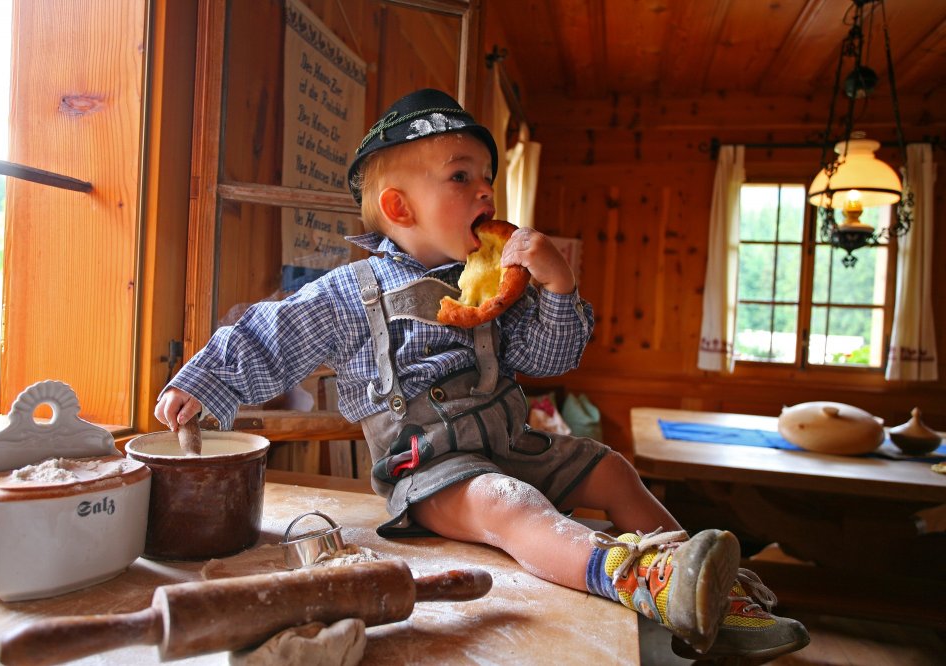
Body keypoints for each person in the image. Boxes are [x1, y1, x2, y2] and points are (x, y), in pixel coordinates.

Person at [156, 88, 809, 661]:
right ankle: (635, 577)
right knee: (507, 502)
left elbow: (550, 360)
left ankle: (708, 589)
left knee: (613, 468)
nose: (486, 192)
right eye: (462, 176)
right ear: (400, 207)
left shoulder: (495, 281)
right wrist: (202, 384)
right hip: (434, 471)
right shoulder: (350, 293)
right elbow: (271, 334)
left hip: (515, 443)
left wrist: (557, 285)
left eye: (489, 179)